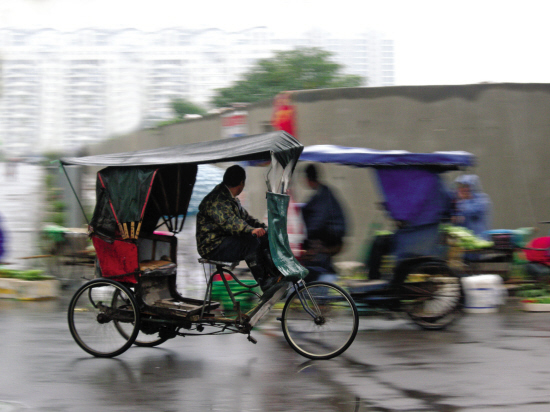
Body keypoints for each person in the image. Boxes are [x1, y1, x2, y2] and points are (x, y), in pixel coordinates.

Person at [196, 165, 279, 291]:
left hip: (225, 241)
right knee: (250, 242)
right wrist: (251, 230)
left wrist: (264, 228)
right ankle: (265, 282)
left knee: (264, 237)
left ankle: (275, 275)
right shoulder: (217, 199)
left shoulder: (230, 198)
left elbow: (246, 219)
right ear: (242, 182)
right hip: (212, 246)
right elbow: (230, 222)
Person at [300, 164, 347, 281]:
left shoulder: (323, 196)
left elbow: (317, 222)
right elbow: (306, 210)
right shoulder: (322, 192)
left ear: (307, 179)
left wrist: (303, 235)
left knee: (306, 247)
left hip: (333, 235)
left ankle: (321, 274)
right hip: (331, 233)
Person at [452, 174, 492, 238]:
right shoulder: (457, 201)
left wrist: (463, 200)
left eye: (465, 186)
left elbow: (470, 211)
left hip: (479, 239)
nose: (462, 189)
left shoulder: (482, 199)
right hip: (463, 240)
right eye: (460, 186)